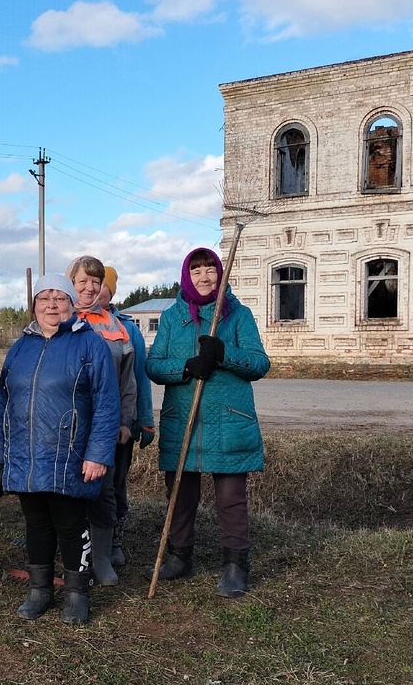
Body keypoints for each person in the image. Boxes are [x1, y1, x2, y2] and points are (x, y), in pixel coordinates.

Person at [0, 274, 120, 625]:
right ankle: (40, 589)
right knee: (36, 524)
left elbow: (107, 403)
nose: (51, 305)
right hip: (26, 453)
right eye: (44, 298)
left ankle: (77, 592)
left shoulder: (90, 344)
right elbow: (3, 401)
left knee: (71, 523)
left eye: (59, 298)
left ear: (71, 304)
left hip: (70, 453)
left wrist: (98, 453)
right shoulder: (21, 346)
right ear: (34, 306)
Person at [145, 246, 270, 597]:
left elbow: (260, 364)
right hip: (183, 418)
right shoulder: (172, 318)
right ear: (187, 276)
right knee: (179, 496)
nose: (204, 277)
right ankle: (180, 556)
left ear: (220, 273)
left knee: (231, 498)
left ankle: (235, 565)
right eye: (197, 271)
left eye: (210, 270)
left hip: (227, 421)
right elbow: (153, 365)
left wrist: (223, 354)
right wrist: (186, 366)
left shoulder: (237, 315)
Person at [67, 256, 137, 587]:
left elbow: (128, 382)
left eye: (95, 282)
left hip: (105, 425)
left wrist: (126, 421)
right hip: (66, 424)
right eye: (82, 281)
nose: (89, 287)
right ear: (71, 283)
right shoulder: (59, 319)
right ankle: (72, 557)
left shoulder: (116, 326)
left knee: (103, 491)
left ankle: (103, 559)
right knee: (66, 492)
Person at [99, 267, 155, 568]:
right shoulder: (74, 321)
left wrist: (143, 420)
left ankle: (114, 540)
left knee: (116, 484)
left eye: (103, 286)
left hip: (122, 421)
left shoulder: (127, 328)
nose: (96, 291)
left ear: (111, 292)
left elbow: (139, 378)